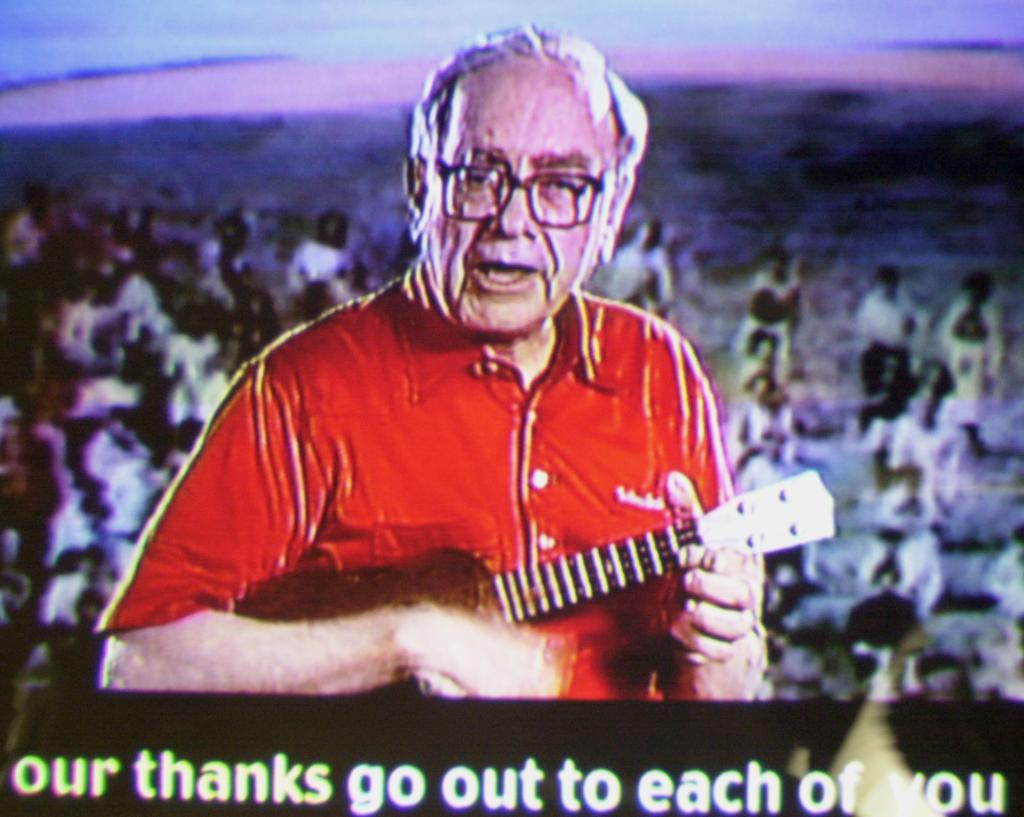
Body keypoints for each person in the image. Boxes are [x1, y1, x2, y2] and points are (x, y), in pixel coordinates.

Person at [99, 26, 764, 700]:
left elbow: (722, 696)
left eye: (560, 185)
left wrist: (722, 645)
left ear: (610, 213)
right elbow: (141, 663)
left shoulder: (657, 365)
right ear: (422, 189)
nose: (512, 220)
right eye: (479, 176)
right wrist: (406, 640)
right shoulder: (304, 385)